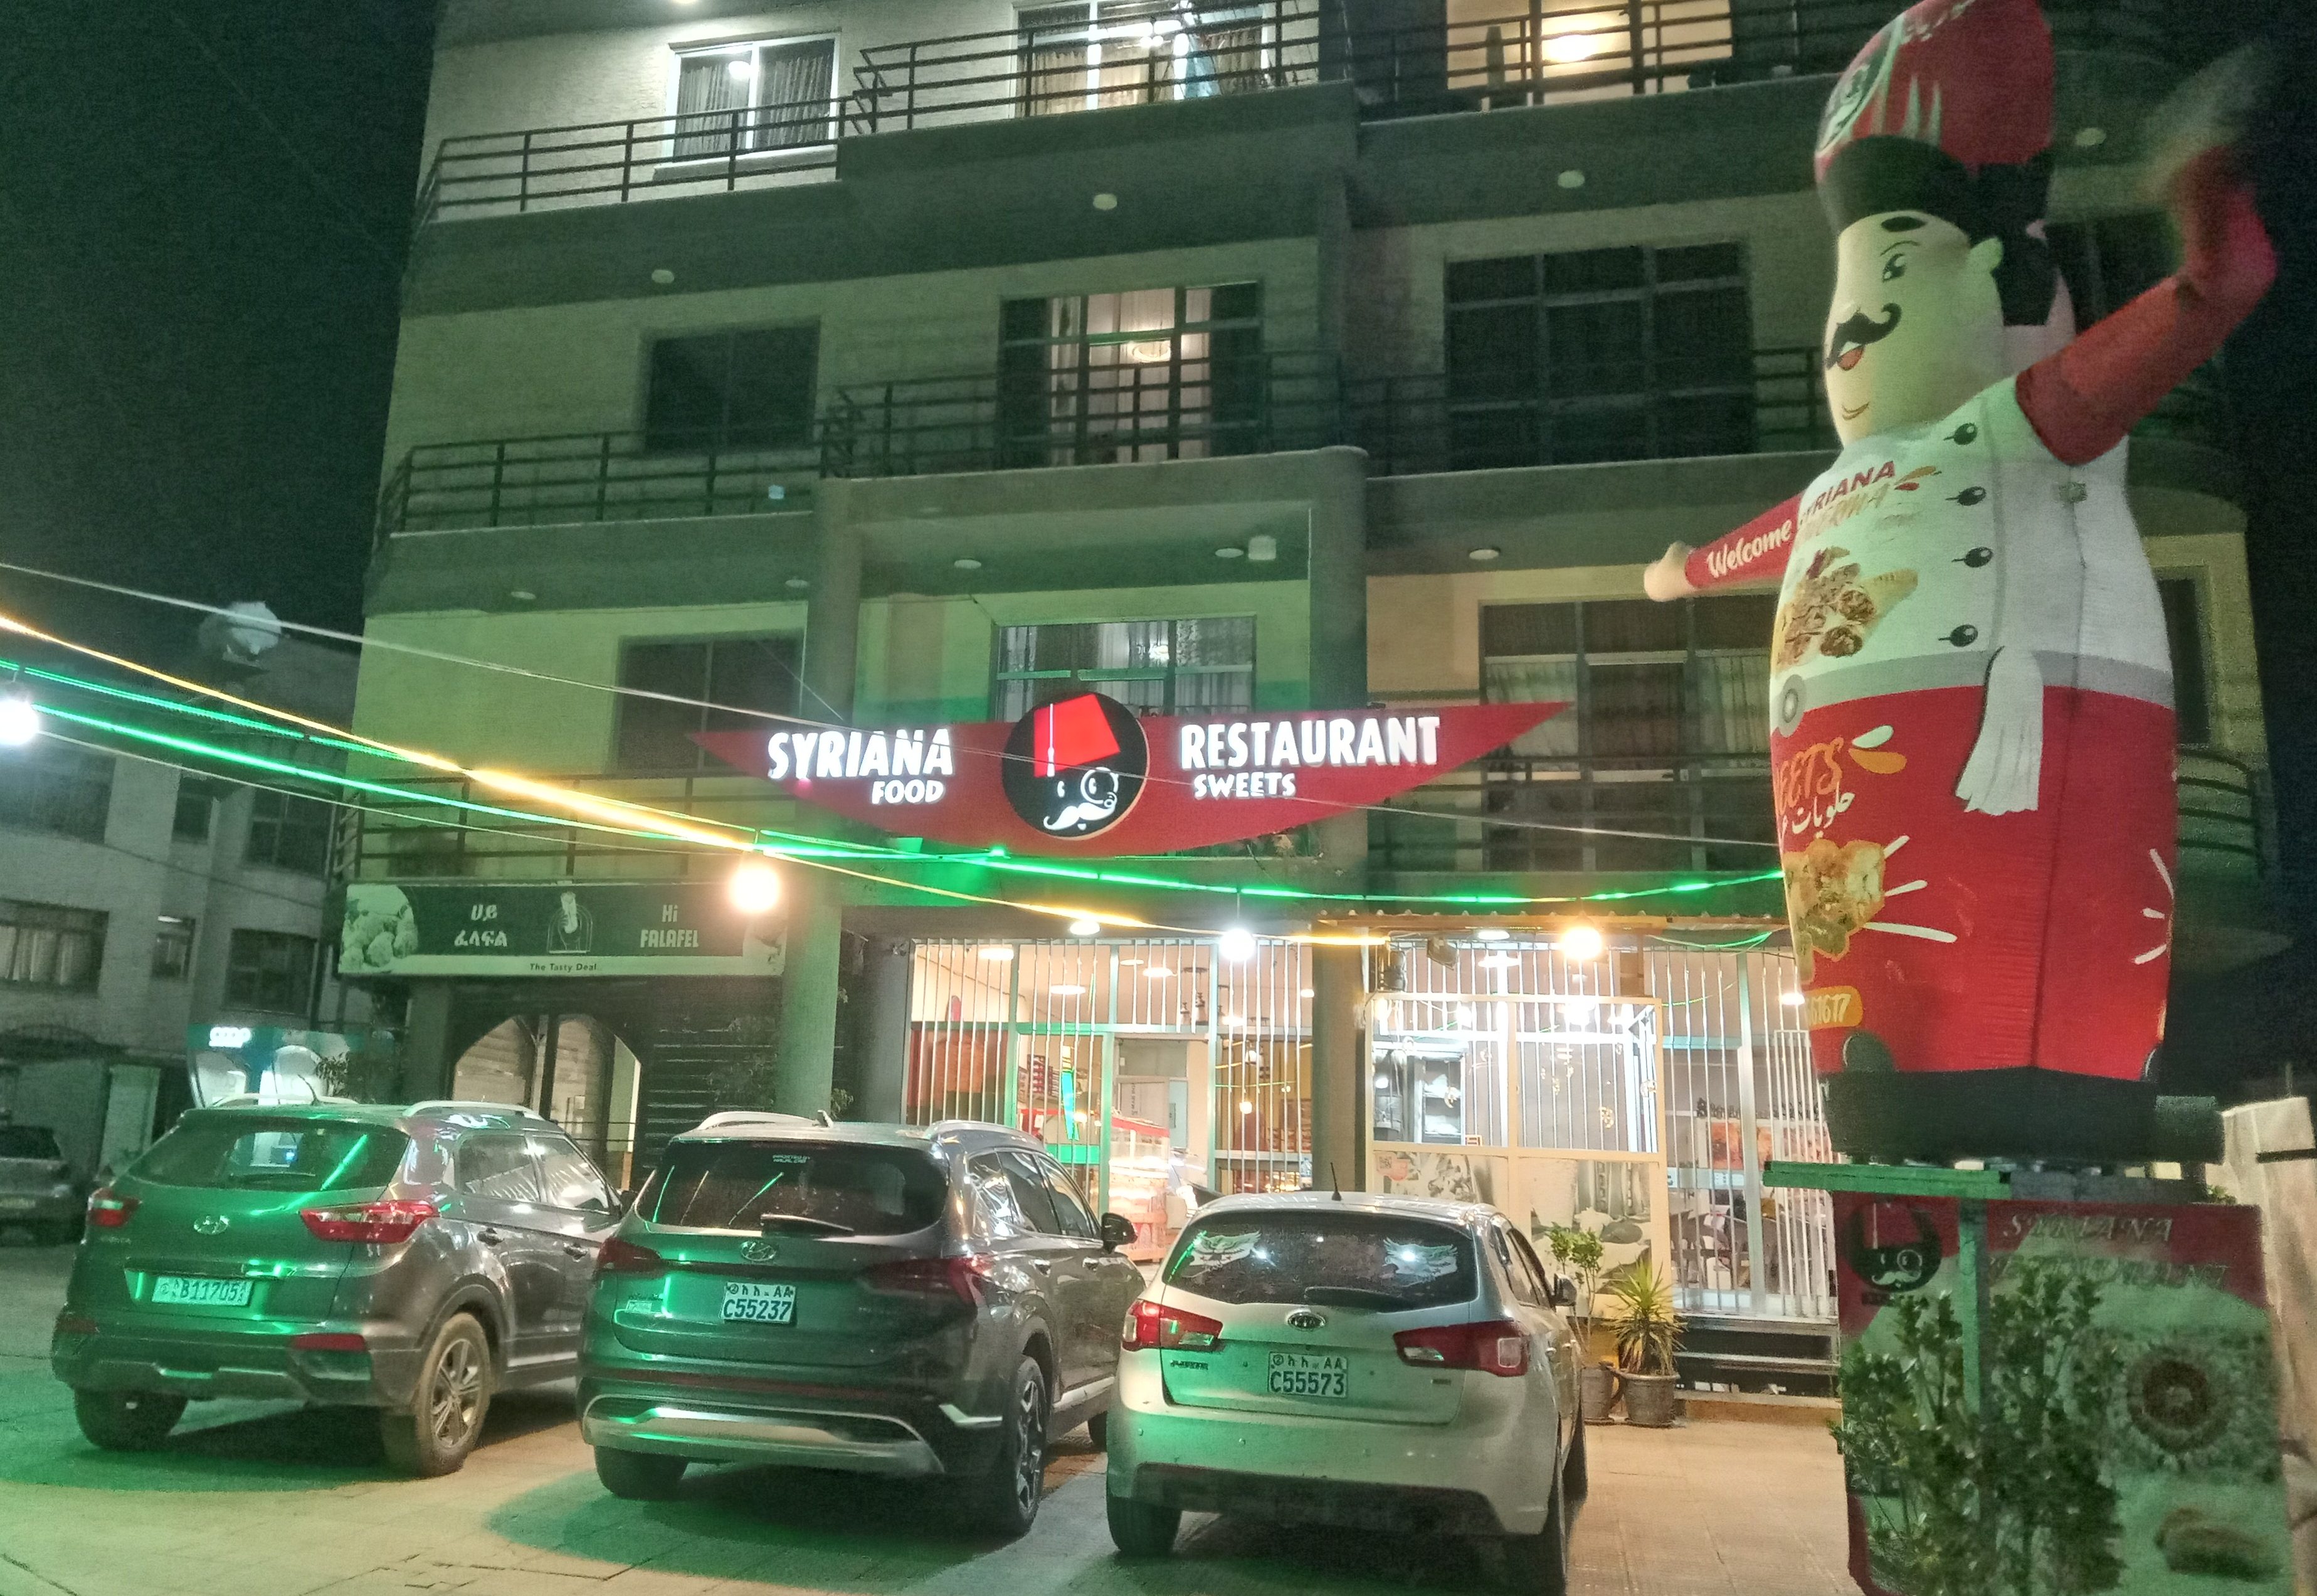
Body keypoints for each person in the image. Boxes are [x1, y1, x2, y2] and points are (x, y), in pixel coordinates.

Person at [1641, 0, 2275, 1160]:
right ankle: (1893, 1073)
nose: (1850, 330)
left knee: (2030, 943)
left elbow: (2192, 309)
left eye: (1892, 271)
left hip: (2010, 723)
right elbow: (1764, 541)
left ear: (1993, 270)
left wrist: (2215, 243)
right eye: (1852, 286)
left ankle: (2067, 1083)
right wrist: (1687, 573)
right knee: (1872, 947)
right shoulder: (1856, 481)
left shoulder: (2012, 429)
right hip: (1851, 762)